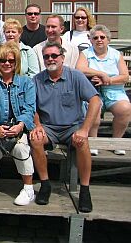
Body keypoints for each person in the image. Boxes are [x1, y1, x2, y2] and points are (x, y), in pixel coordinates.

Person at [30, 41, 101, 213]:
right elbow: (32, 106)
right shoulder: (37, 80)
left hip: (72, 126)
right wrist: (37, 125)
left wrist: (84, 129)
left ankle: (84, 189)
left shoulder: (75, 76)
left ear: (62, 58)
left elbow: (95, 100)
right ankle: (45, 184)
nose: (50, 59)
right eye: (46, 56)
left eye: (54, 55)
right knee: (35, 139)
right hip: (49, 127)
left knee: (83, 143)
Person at [0, 43, 36, 205]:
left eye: (11, 60)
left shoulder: (26, 83)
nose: (7, 63)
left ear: (16, 62)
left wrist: (20, 125)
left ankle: (28, 189)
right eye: (2, 60)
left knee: (21, 147)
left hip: (18, 126)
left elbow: (30, 108)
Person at [76, 25, 131, 156]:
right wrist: (101, 73)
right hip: (93, 91)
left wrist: (108, 80)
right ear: (91, 40)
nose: (99, 40)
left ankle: (117, 142)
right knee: (93, 108)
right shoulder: (86, 53)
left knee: (125, 108)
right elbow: (79, 69)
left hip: (114, 91)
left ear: (108, 39)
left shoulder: (116, 55)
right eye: (95, 37)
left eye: (102, 37)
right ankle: (94, 141)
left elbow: (124, 76)